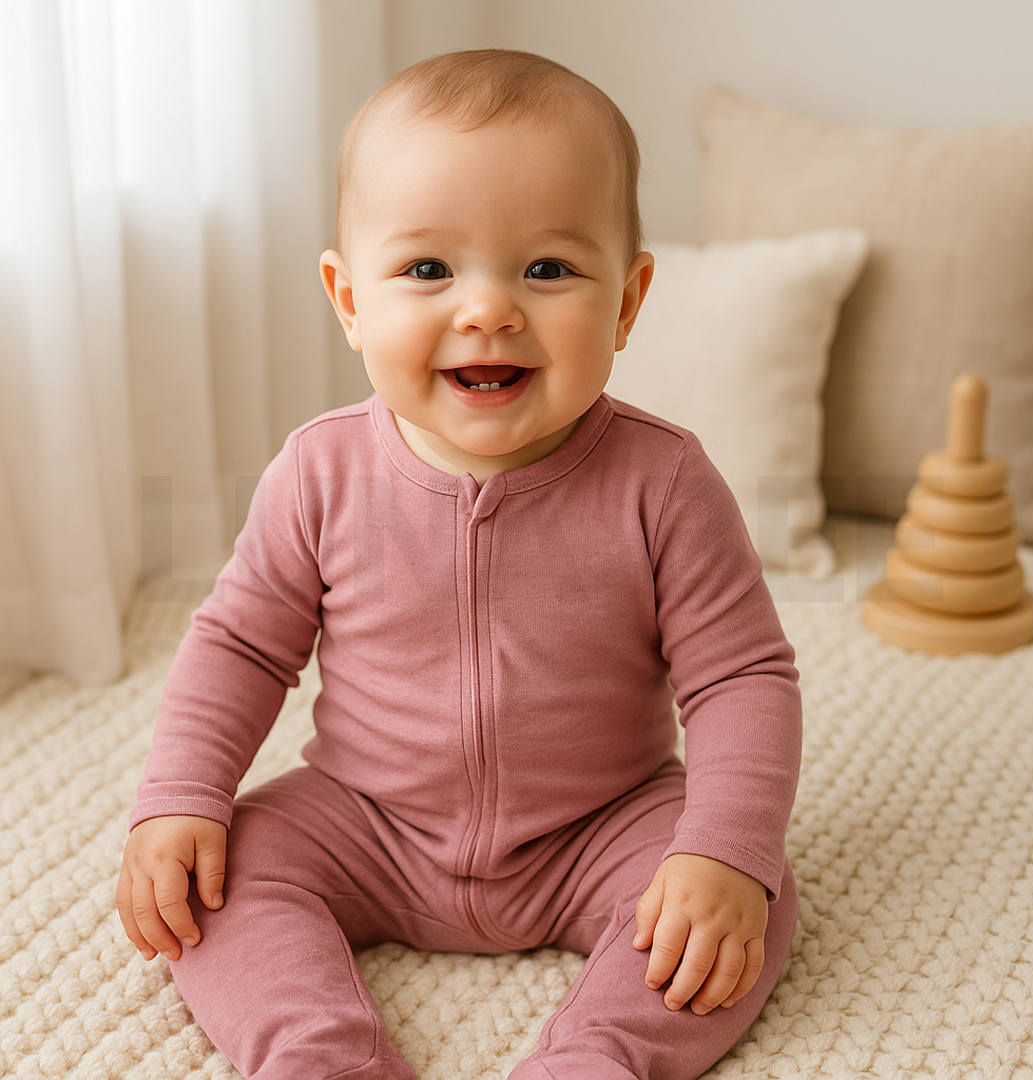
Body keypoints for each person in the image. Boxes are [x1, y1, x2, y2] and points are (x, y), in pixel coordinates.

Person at [116, 49, 802, 1080]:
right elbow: (241, 645)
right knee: (214, 880)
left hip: (599, 825)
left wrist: (721, 850)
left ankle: (595, 1057)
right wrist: (180, 797)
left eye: (548, 268)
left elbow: (742, 677)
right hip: (365, 820)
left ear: (627, 300)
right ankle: (317, 1051)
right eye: (429, 269)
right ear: (350, 300)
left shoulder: (664, 482)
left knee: (748, 899)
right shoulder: (320, 473)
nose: (488, 310)